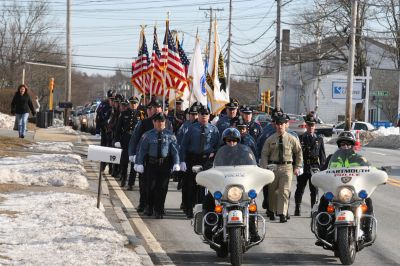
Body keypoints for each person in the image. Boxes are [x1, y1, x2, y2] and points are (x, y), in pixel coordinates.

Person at [203, 128, 261, 242]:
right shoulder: (217, 153)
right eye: (229, 140)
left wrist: (257, 171)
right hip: (223, 187)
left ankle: (253, 230)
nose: (231, 143)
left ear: (238, 141)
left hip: (239, 188)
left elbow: (252, 167)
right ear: (224, 141)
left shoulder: (245, 154)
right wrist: (206, 170)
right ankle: (209, 227)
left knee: (252, 202)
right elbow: (209, 165)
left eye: (234, 140)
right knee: (208, 199)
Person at [315, 131, 372, 245]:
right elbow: (323, 171)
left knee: (368, 201)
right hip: (336, 192)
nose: (345, 146)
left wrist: (379, 172)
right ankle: (322, 231)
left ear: (352, 145)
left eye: (348, 144)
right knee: (323, 201)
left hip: (354, 192)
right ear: (339, 145)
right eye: (342, 144)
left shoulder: (360, 159)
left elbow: (370, 170)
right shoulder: (332, 158)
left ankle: (367, 230)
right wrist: (317, 174)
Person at [134, 113, 180, 219]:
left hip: (165, 164)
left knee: (162, 188)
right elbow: (142, 150)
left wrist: (177, 162)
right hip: (151, 164)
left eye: (162, 122)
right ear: (154, 122)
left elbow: (175, 151)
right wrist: (139, 163)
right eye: (158, 121)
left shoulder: (170, 135)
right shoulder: (148, 135)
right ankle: (149, 207)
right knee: (151, 187)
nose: (161, 124)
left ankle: (159, 209)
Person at [260, 113, 303, 223]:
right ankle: (272, 210)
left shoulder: (292, 139)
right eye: (278, 124)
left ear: (286, 125)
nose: (280, 126)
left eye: (282, 124)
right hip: (273, 168)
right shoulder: (270, 139)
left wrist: (297, 166)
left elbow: (298, 152)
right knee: (272, 191)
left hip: (287, 167)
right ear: (275, 126)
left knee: (284, 191)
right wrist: (265, 167)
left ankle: (282, 213)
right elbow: (264, 153)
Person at [180, 105, 220, 218]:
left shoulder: (214, 129)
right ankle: (188, 208)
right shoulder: (192, 128)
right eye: (201, 114)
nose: (204, 116)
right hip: (193, 158)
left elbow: (217, 145)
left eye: (206, 114)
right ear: (198, 115)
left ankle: (203, 209)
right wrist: (182, 161)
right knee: (190, 185)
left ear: (209, 116)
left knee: (205, 186)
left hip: (207, 160)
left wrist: (214, 155)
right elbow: (183, 145)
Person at [294, 114, 326, 216]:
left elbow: (322, 156)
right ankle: (297, 207)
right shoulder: (300, 138)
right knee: (300, 188)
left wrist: (322, 169)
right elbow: (296, 154)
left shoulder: (319, 139)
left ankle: (313, 209)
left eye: (312, 125)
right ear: (306, 126)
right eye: (309, 125)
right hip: (304, 166)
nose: (311, 127)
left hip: (314, 166)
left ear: (315, 126)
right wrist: (296, 166)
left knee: (314, 190)